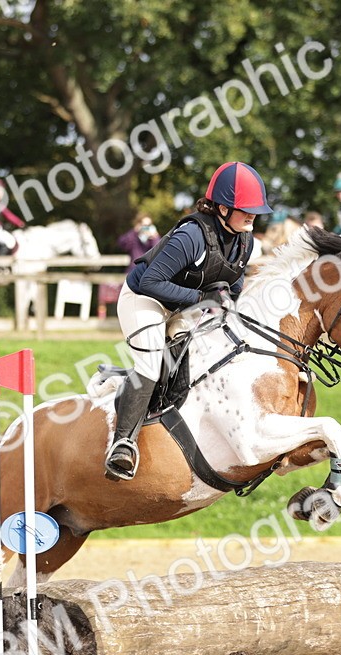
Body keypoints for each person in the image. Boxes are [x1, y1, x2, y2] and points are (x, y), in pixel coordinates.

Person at [106, 161, 272, 481]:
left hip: (182, 307)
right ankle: (123, 443)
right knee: (153, 363)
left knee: (192, 365)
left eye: (256, 209)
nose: (253, 215)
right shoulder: (192, 235)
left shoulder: (244, 241)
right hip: (144, 300)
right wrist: (200, 300)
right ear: (222, 208)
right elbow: (150, 282)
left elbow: (232, 287)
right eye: (245, 208)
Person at [102, 214, 161, 319]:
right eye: (143, 225)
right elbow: (122, 243)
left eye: (148, 225)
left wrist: (155, 237)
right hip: (133, 275)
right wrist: (134, 232)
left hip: (149, 275)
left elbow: (159, 250)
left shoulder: (153, 238)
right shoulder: (134, 238)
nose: (146, 228)